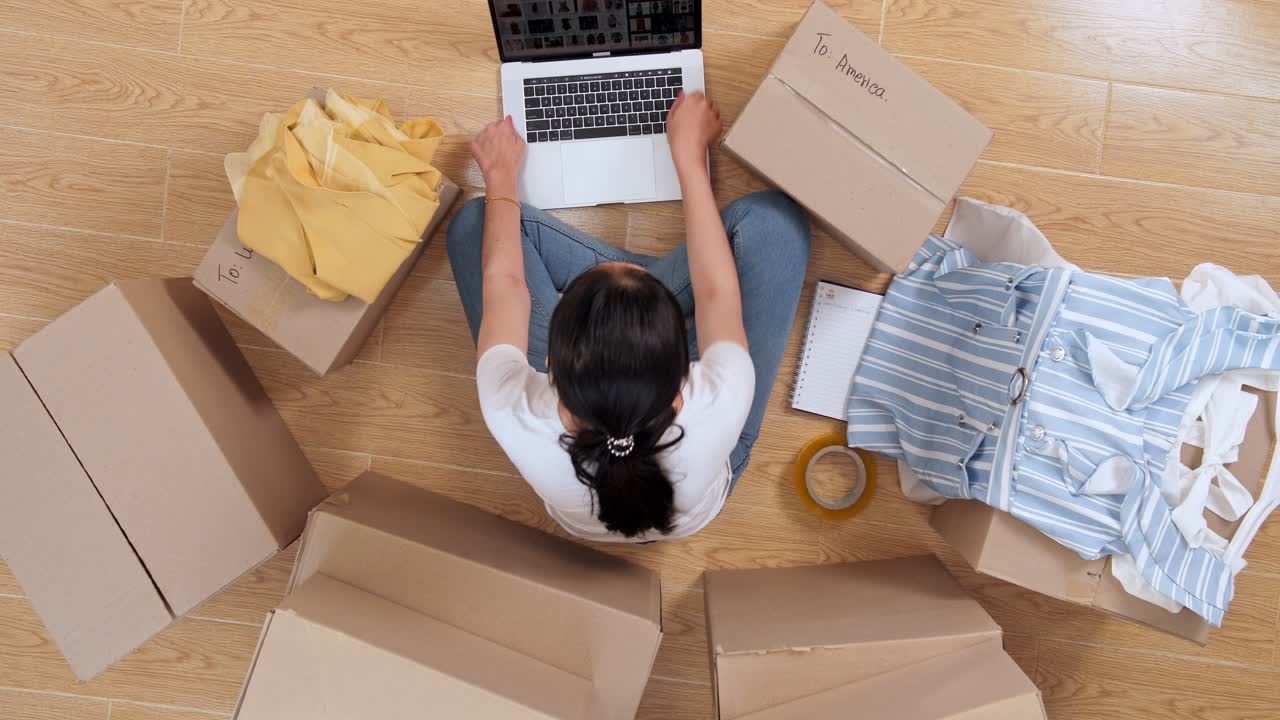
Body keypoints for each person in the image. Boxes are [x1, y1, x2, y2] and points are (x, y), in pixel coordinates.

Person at [447, 92, 810, 543]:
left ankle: (631, 299)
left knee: (476, 226)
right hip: (705, 484)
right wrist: (689, 158)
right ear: (687, 365)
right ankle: (652, 291)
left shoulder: (512, 410)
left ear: (550, 366)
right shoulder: (721, 396)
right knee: (776, 224)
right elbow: (716, 292)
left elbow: (505, 283)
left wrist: (500, 176)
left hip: (597, 485)